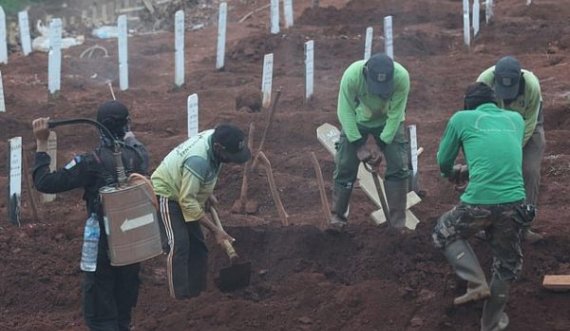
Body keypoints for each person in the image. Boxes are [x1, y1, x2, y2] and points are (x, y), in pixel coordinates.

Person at [32, 101, 150, 331]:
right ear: (126, 125)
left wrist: (42, 142)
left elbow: (44, 182)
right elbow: (135, 145)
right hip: (133, 243)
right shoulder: (139, 156)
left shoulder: (90, 162)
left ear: (99, 127)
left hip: (102, 248)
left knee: (100, 316)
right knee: (122, 314)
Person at [433, 83, 535, 331]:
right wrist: (473, 169)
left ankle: (476, 282)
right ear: (496, 103)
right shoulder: (516, 119)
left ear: (468, 104)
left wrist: (452, 173)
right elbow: (499, 152)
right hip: (515, 202)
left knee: (445, 230)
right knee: (506, 264)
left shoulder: (461, 118)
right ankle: (490, 324)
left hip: (479, 201)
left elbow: (443, 160)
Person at [151, 124, 251, 299]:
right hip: (167, 193)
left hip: (186, 189)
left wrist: (206, 192)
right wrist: (216, 230)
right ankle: (180, 300)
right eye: (231, 156)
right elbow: (186, 200)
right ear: (219, 148)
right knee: (179, 245)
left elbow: (209, 169)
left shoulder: (215, 138)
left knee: (199, 247)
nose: (232, 160)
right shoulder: (198, 160)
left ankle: (198, 296)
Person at [331, 52, 411, 230]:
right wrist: (358, 144)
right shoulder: (352, 76)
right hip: (358, 120)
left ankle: (398, 224)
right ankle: (337, 218)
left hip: (388, 122)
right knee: (345, 164)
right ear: (366, 73)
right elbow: (345, 112)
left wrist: (381, 145)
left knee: (399, 165)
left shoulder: (401, 77)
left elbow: (396, 114)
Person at [477, 56, 545, 242]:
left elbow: (531, 123)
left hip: (527, 127)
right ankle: (489, 225)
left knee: (529, 171)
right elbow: (478, 119)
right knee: (490, 170)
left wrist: (513, 150)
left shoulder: (532, 85)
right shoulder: (484, 82)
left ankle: (524, 227)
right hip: (494, 126)